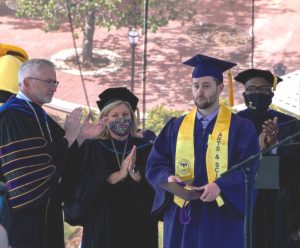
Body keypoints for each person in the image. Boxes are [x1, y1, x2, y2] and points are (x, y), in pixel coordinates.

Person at [145, 54, 260, 248]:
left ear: (220, 88)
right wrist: (168, 178)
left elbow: (250, 168)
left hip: (220, 217)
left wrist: (221, 185)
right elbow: (155, 163)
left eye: (206, 86)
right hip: (182, 216)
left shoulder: (240, 128)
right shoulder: (175, 126)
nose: (200, 92)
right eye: (196, 85)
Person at [0, 58, 84, 248]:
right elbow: (28, 171)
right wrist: (69, 138)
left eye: (55, 82)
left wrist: (80, 137)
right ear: (27, 83)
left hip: (47, 213)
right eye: (49, 82)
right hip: (25, 217)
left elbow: (61, 156)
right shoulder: (12, 116)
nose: (54, 88)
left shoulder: (39, 115)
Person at [64, 87, 158, 248]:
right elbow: (75, 179)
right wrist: (114, 176)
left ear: (132, 117)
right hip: (103, 223)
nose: (121, 119)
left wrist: (136, 174)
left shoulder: (145, 148)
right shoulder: (93, 146)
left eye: (125, 115)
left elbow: (156, 186)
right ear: (105, 119)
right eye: (115, 115)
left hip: (138, 223)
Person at [235, 68, 300, 248]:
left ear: (271, 94)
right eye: (251, 89)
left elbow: (296, 166)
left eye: (263, 89)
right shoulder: (232, 124)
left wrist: (274, 146)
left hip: (278, 197)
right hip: (241, 193)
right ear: (243, 93)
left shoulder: (290, 124)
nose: (257, 94)